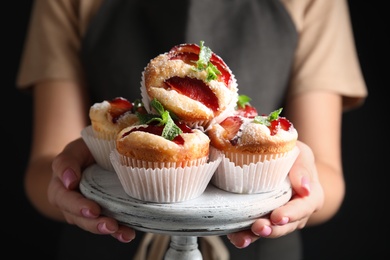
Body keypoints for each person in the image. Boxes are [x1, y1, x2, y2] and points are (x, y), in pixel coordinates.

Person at [16, 0, 367, 259]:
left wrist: (302, 178)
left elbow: (329, 180)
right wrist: (68, 174)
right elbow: (41, 170)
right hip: (104, 247)